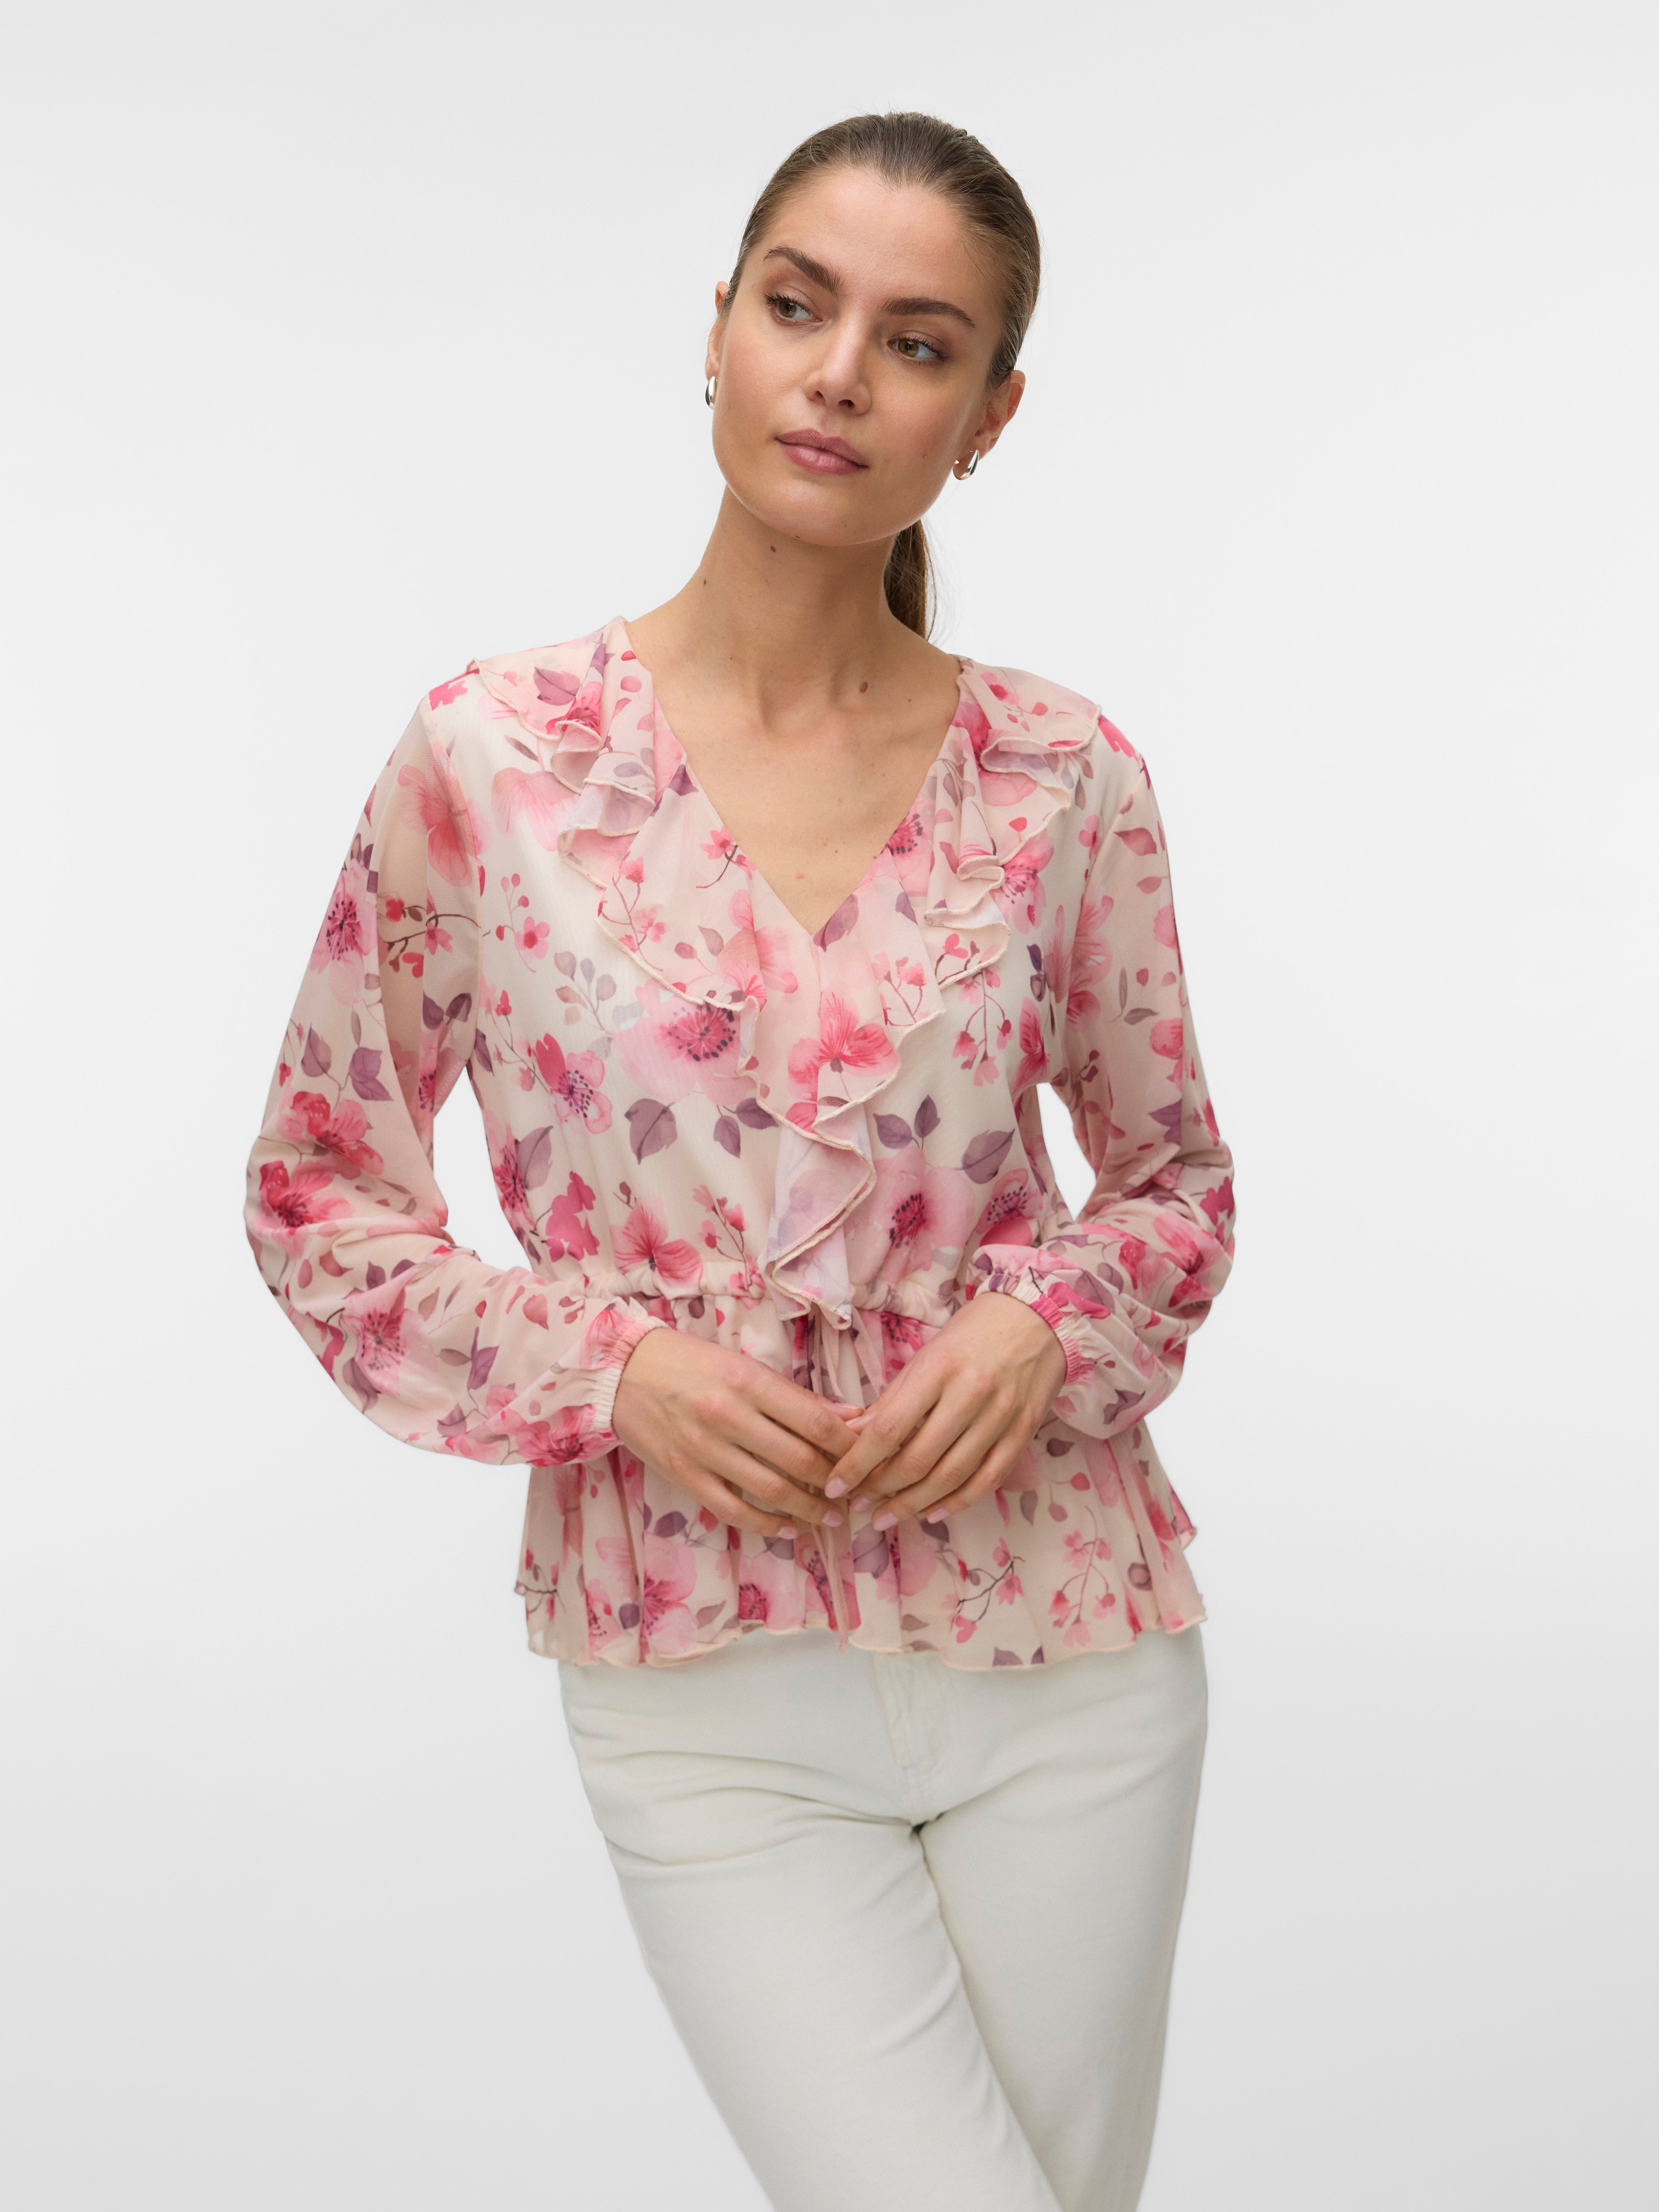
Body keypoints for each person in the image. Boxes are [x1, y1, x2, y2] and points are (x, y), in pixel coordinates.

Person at [245, 110, 1235, 2212]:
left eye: (918, 343)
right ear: (717, 331)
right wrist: (611, 1371)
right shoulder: (492, 758)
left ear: (989, 417)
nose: (838, 375)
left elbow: (1174, 1184)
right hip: (701, 1679)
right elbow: (318, 1188)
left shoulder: (1066, 777)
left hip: (1072, 1647)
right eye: (798, 307)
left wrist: (1045, 1327)